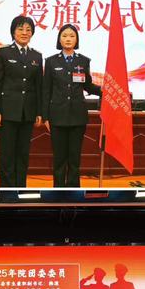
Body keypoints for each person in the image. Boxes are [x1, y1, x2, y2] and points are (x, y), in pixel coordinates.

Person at [42, 23, 102, 187]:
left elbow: (88, 86)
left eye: (72, 36)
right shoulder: (51, 61)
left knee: (74, 158)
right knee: (59, 158)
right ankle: (58, 191)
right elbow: (46, 90)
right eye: (64, 35)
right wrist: (45, 116)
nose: (68, 39)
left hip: (77, 116)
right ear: (59, 39)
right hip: (57, 116)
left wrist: (105, 91)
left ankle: (74, 191)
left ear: (76, 39)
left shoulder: (83, 61)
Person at [0, 15, 43, 187]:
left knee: (23, 154)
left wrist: (39, 112)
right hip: (7, 112)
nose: (24, 33)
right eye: (20, 29)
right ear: (13, 32)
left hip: (28, 113)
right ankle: (7, 191)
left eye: (28, 30)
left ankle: (21, 188)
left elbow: (39, 87)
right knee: (7, 155)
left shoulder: (36, 56)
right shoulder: (4, 52)